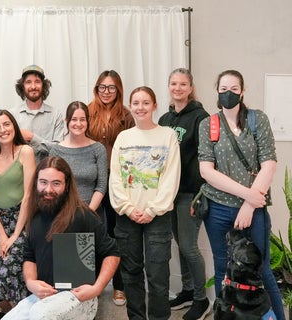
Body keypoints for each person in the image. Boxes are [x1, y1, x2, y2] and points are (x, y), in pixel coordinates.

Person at [198, 70, 285, 320]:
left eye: (234, 89)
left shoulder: (257, 120)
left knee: (263, 270)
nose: (228, 93)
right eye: (224, 88)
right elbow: (206, 170)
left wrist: (249, 204)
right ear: (217, 90)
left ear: (242, 91)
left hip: (254, 208)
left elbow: (269, 162)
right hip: (218, 208)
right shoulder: (209, 124)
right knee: (223, 268)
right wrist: (247, 195)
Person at [3, 156, 120, 320]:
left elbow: (112, 253)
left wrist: (97, 288)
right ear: (36, 182)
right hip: (46, 295)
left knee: (39, 315)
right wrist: (30, 282)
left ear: (66, 186)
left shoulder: (83, 216)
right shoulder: (35, 217)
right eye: (43, 182)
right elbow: (29, 256)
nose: (48, 189)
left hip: (80, 297)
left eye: (56, 183)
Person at [109, 86, 181, 320]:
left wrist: (152, 209)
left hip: (157, 217)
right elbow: (116, 177)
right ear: (131, 106)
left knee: (158, 274)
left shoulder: (167, 135)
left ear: (154, 105)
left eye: (146, 103)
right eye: (136, 103)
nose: (140, 107)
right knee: (131, 273)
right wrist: (128, 209)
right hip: (127, 216)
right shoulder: (123, 137)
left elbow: (171, 177)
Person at [158, 68, 211, 320]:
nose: (177, 88)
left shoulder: (201, 118)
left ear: (191, 88)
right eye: (173, 84)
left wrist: (202, 193)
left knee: (189, 247)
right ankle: (188, 290)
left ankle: (202, 300)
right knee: (179, 244)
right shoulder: (165, 120)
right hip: (170, 193)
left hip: (191, 192)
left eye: (183, 84)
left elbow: (208, 158)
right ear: (168, 87)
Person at [0, 110, 35, 319]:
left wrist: (13, 236)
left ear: (14, 126)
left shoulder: (26, 152)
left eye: (7, 124)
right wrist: (2, 234)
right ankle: (16, 314)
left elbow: (29, 196)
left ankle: (22, 312)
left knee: (10, 263)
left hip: (24, 220)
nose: (3, 130)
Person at [87, 70, 134, 306]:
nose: (106, 92)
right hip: (92, 182)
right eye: (102, 87)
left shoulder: (126, 116)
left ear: (118, 90)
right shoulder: (86, 112)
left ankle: (119, 285)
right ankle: (89, 283)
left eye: (111, 88)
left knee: (117, 234)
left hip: (117, 183)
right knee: (90, 231)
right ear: (96, 89)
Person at [47, 101, 107, 212]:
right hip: (63, 213)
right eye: (74, 119)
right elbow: (53, 186)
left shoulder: (98, 149)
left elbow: (101, 185)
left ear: (88, 121)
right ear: (67, 121)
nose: (78, 124)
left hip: (92, 213)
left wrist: (89, 213)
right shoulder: (56, 151)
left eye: (82, 119)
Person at [10, 65, 65, 162]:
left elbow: (59, 151)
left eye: (37, 82)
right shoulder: (12, 115)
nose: (33, 86)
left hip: (48, 174)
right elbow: (7, 150)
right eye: (28, 82)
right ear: (22, 86)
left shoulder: (55, 115)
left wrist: (32, 137)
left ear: (44, 85)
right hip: (19, 174)